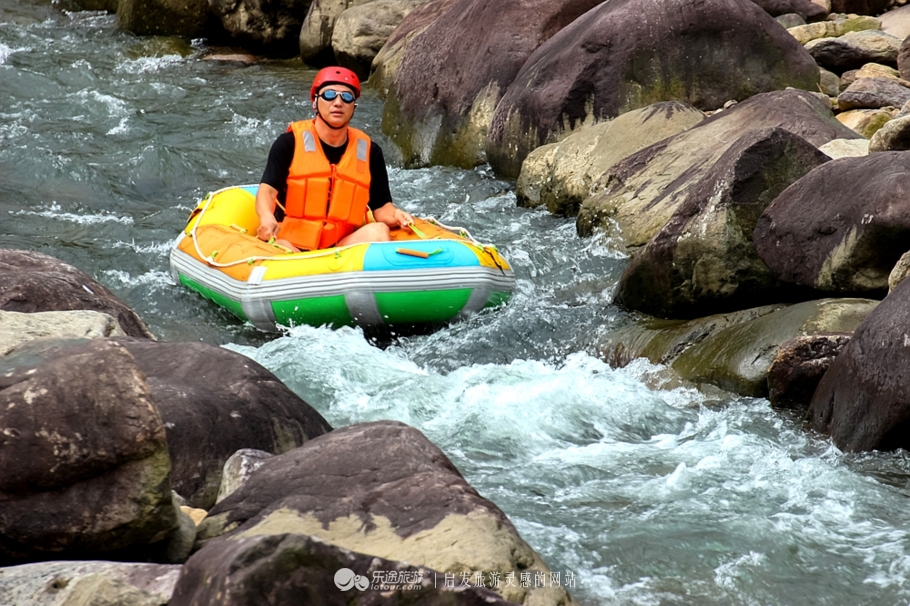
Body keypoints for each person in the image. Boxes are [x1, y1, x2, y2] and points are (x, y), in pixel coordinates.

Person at [255, 66, 414, 252]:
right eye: (329, 95)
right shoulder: (289, 143)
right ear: (315, 102)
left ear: (353, 106)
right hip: (291, 242)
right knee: (281, 249)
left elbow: (381, 209)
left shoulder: (371, 152)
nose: (338, 102)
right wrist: (266, 217)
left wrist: (397, 215)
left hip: (340, 245)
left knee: (379, 231)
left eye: (346, 97)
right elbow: (267, 192)